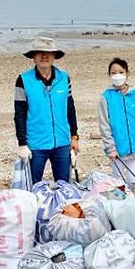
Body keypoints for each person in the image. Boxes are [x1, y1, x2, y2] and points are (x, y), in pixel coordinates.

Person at [14, 37, 79, 183]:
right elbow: (20, 114)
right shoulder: (23, 80)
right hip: (35, 144)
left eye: (49, 53)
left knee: (64, 186)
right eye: (40, 53)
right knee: (33, 187)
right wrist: (22, 143)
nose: (44, 56)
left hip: (62, 142)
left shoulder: (64, 78)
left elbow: (70, 108)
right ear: (33, 56)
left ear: (54, 55)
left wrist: (74, 136)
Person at [98, 58, 135, 191]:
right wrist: (110, 148)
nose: (117, 75)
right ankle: (119, 205)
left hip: (134, 148)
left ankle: (128, 200)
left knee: (133, 180)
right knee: (117, 182)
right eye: (113, 73)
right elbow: (104, 125)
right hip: (117, 150)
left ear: (127, 73)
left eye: (121, 72)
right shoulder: (106, 97)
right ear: (109, 75)